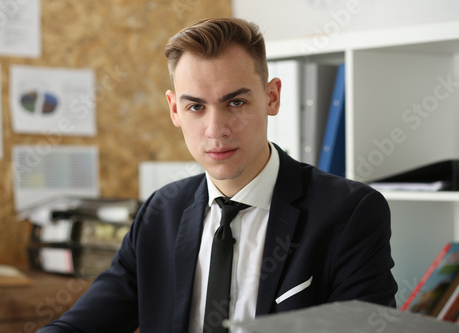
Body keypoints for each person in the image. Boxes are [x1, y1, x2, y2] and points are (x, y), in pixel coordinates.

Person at [39, 17, 397, 333]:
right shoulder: (160, 212)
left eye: (235, 103)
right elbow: (82, 324)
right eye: (196, 106)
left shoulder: (350, 213)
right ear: (174, 110)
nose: (215, 129)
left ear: (271, 97)